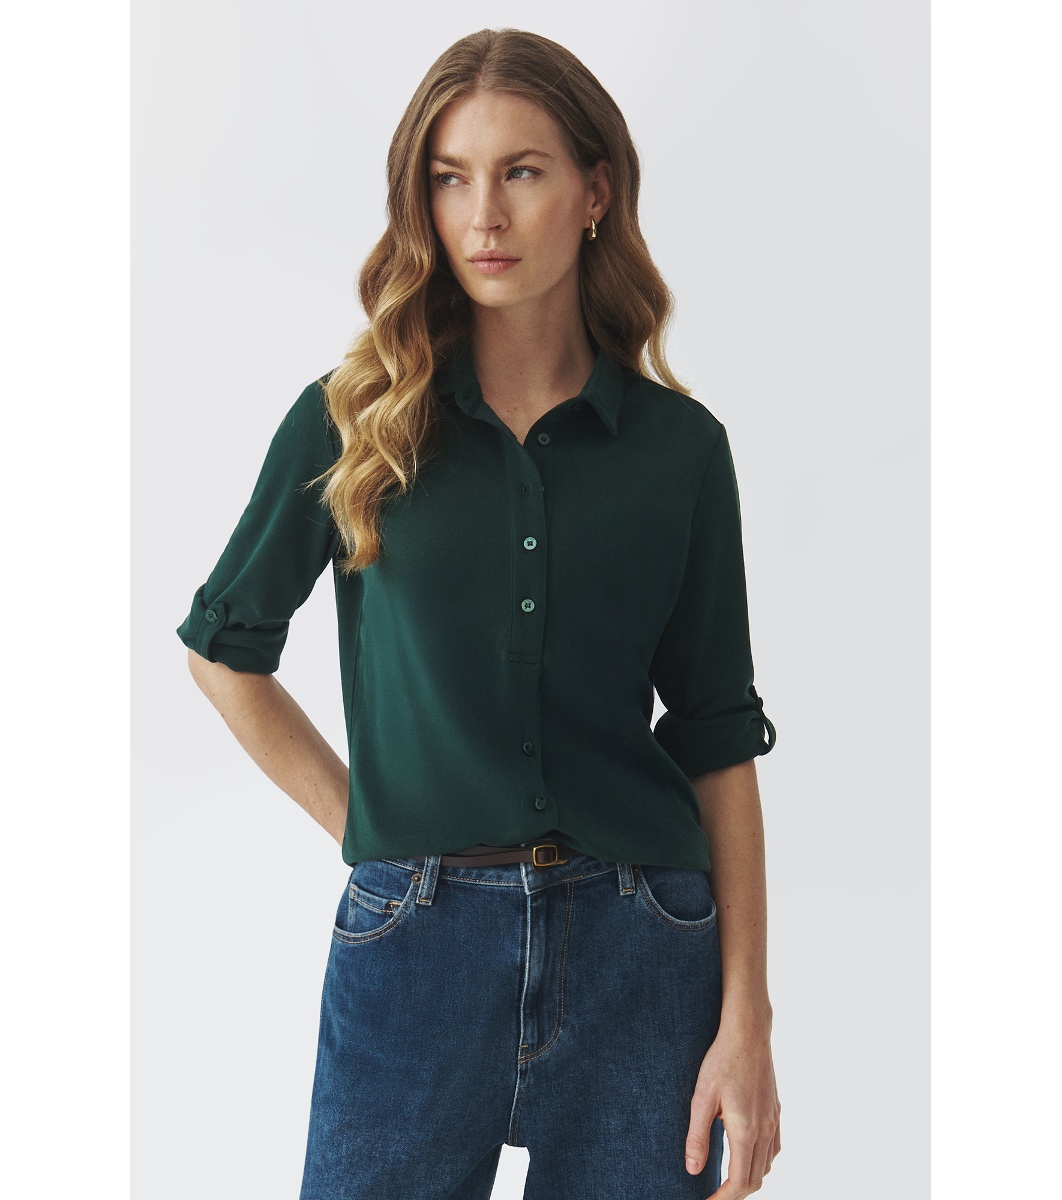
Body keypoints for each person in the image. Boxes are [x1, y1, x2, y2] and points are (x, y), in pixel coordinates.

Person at [177, 26, 781, 1200]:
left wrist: (746, 1021)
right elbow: (223, 651)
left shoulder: (679, 451)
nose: (484, 216)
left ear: (595, 193)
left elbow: (718, 735)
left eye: (522, 172)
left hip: (643, 950)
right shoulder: (355, 422)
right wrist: (369, 826)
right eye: (451, 178)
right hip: (415, 950)